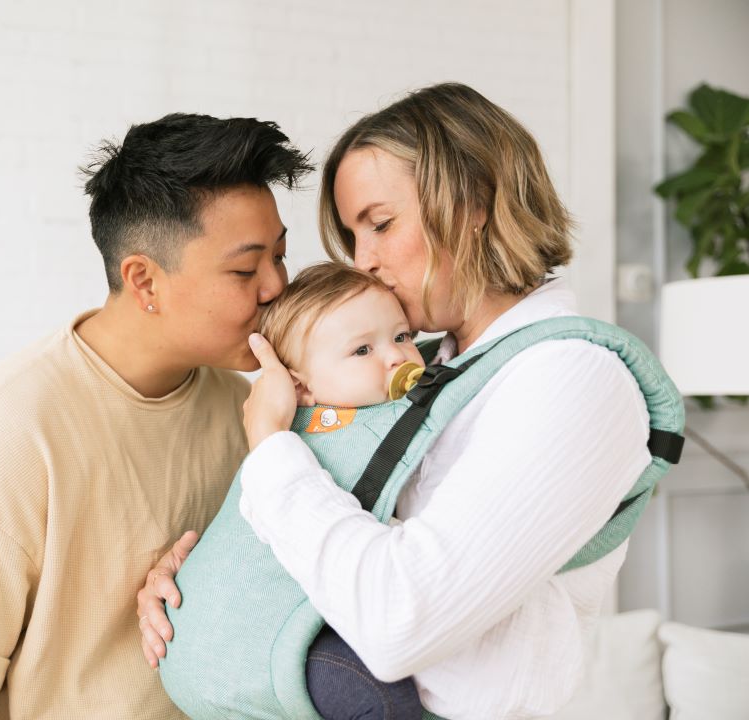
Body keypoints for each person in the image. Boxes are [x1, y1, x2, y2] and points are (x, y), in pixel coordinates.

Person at [137, 83, 663, 719]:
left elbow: (397, 623)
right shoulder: (427, 374)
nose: (365, 262)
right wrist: (212, 584)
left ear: (473, 200)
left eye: (380, 225)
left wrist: (273, 451)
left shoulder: (573, 380)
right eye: (355, 237)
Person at [0, 112, 312, 720]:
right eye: (245, 270)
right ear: (145, 281)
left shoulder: (250, 406)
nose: (277, 286)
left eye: (281, 256)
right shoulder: (10, 435)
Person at [158, 261, 427, 720]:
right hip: (240, 648)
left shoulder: (388, 412)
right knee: (385, 699)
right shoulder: (299, 439)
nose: (397, 357)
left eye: (402, 336)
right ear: (300, 387)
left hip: (220, 645)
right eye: (362, 349)